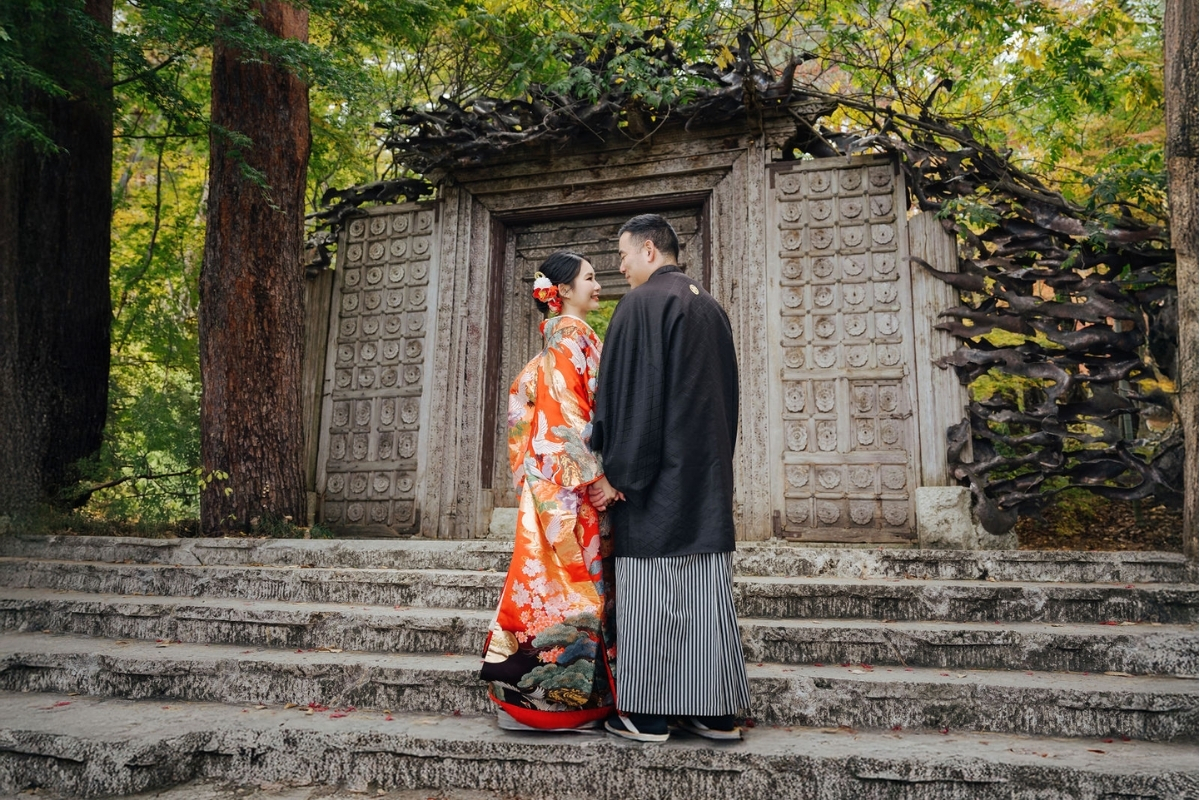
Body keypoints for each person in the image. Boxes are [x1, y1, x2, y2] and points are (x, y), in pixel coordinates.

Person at [588, 214, 751, 743]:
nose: (620, 265)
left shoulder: (641, 305)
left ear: (651, 250)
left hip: (654, 484)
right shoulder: (710, 306)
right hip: (704, 476)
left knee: (654, 597)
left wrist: (618, 474)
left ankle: (649, 714)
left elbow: (635, 401)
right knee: (703, 596)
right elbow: (726, 399)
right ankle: (715, 712)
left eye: (624, 254)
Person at [480, 251, 623, 732]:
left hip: (555, 487)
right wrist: (596, 477)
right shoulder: (567, 338)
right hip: (568, 489)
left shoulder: (562, 340)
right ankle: (559, 704)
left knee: (550, 588)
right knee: (571, 592)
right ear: (562, 291)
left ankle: (542, 698)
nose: (598, 284)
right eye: (590, 278)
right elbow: (566, 418)